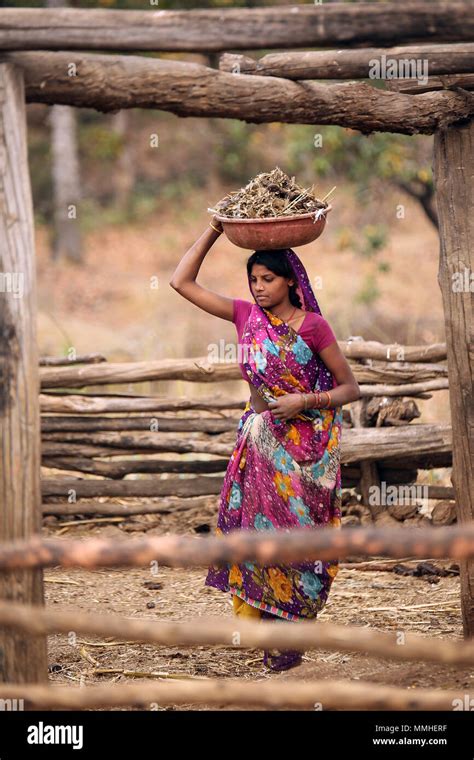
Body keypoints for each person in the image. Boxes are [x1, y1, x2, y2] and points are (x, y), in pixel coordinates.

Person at [169, 214, 360, 672]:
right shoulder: (244, 316)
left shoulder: (313, 327)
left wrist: (304, 401)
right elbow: (180, 281)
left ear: (292, 282)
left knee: (298, 546)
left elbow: (350, 388)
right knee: (259, 543)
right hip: (259, 456)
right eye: (252, 278)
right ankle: (271, 647)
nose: (258, 287)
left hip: (306, 461)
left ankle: (290, 649)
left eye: (268, 278)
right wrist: (216, 228)